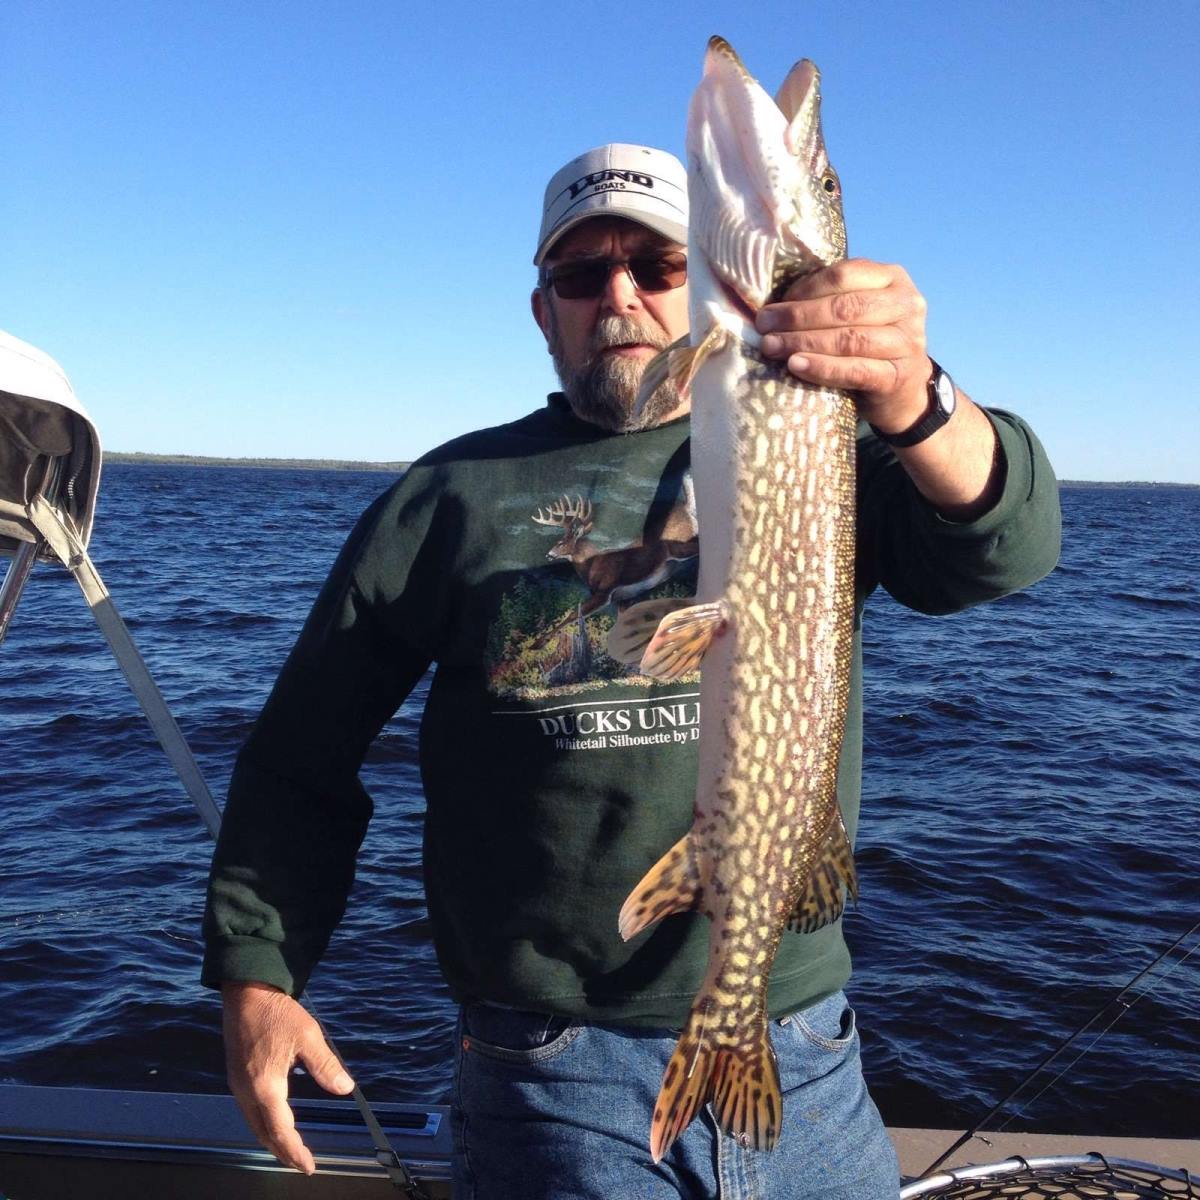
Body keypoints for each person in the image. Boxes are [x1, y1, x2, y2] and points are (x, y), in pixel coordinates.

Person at [203, 143, 1061, 1198]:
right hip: (551, 1071)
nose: (617, 296)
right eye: (580, 274)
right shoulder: (447, 499)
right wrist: (258, 971)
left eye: (655, 266)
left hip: (809, 1055)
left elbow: (1004, 549)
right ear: (543, 311)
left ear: (702, 286)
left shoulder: (822, 453)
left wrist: (914, 395)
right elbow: (303, 758)